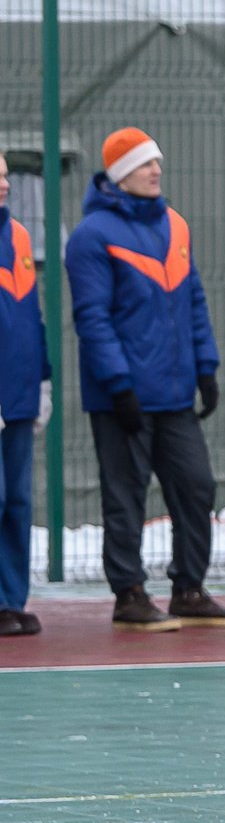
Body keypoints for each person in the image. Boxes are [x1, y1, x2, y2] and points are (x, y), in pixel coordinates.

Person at [67, 127, 225, 631]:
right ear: (122, 173)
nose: (156, 170)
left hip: (175, 395)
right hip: (121, 398)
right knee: (124, 496)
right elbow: (93, 319)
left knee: (196, 486)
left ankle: (189, 590)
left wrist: (206, 368)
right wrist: (118, 385)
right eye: (146, 164)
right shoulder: (91, 237)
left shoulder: (176, 225)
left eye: (157, 163)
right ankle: (129, 595)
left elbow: (194, 300)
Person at [0, 167, 47, 637]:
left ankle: (10, 600)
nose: (5, 184)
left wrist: (44, 378)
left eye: (5, 174)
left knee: (16, 500)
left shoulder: (17, 233)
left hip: (19, 394)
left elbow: (32, 314)